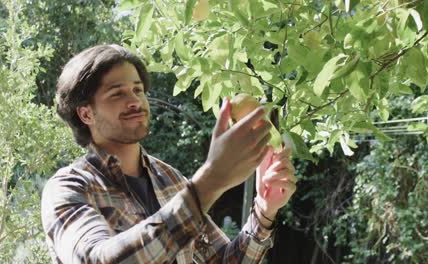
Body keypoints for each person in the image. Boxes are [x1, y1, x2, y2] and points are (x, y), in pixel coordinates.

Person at [41, 44, 297, 263]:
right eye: (117, 93)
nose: (135, 101)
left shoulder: (170, 179)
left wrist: (264, 210)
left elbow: (222, 260)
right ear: (86, 113)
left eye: (138, 90)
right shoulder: (68, 188)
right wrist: (210, 181)